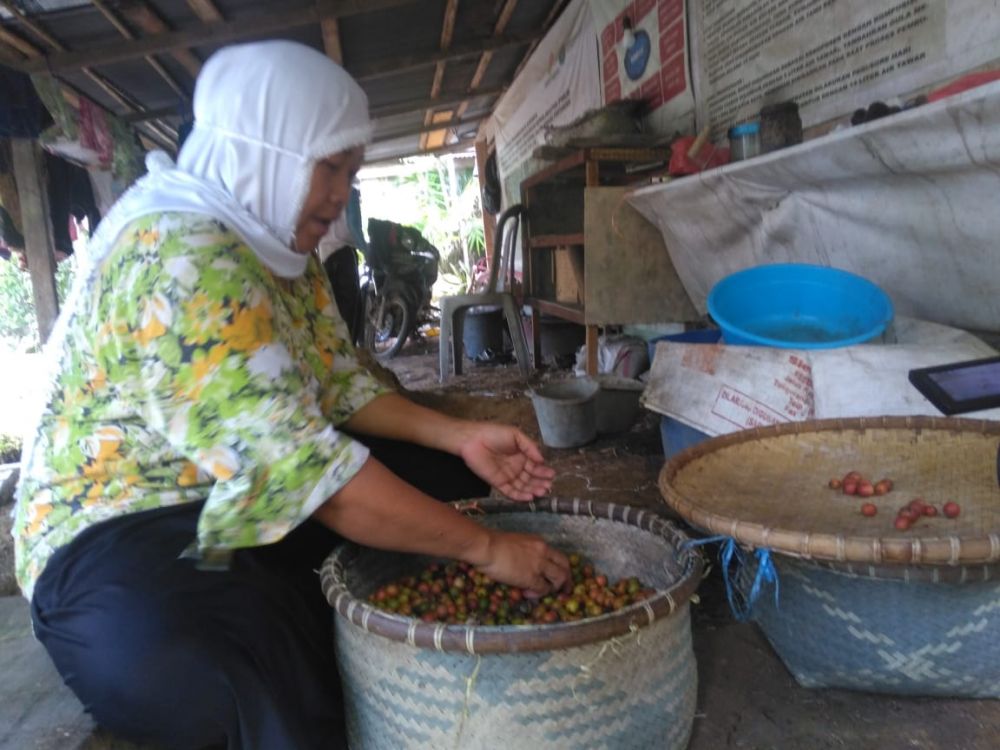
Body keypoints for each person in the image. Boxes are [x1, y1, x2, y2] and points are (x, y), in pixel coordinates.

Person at [12, 40, 570, 750]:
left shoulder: (279, 241)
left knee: (448, 476)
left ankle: (343, 583)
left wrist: (458, 437)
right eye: (328, 167)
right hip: (116, 535)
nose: (340, 194)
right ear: (260, 154)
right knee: (260, 670)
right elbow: (309, 479)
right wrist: (486, 550)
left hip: (229, 496)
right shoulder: (178, 254)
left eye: (350, 171)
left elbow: (338, 384)